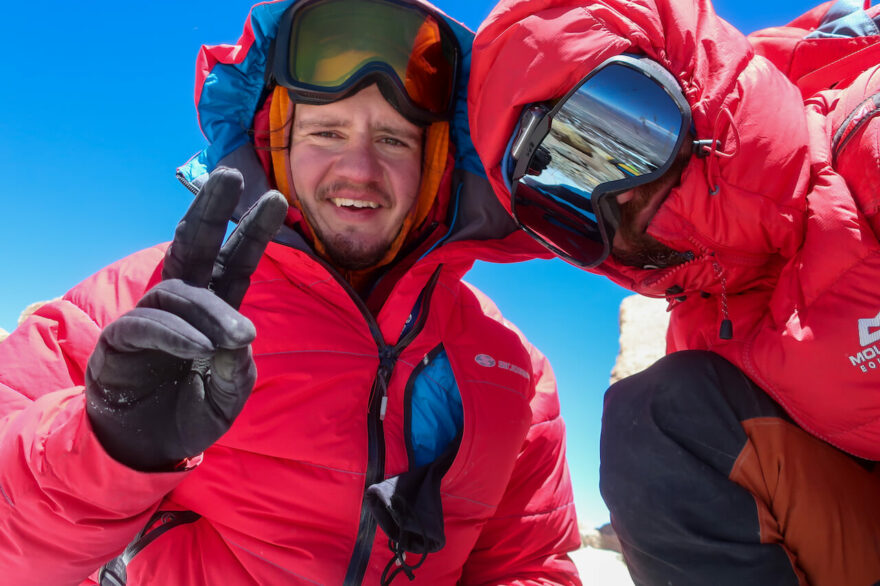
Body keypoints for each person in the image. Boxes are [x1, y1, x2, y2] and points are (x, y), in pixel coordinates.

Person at [0, 0, 581, 584]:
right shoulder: (141, 303)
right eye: (326, 131)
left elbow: (530, 566)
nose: (359, 169)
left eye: (395, 140)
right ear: (274, 140)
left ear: (440, 164)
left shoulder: (510, 371)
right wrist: (106, 444)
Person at [467, 0, 880, 583]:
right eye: (568, 190)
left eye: (629, 132)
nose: (620, 192)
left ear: (689, 81)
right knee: (656, 418)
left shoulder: (867, 150)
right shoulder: (702, 344)